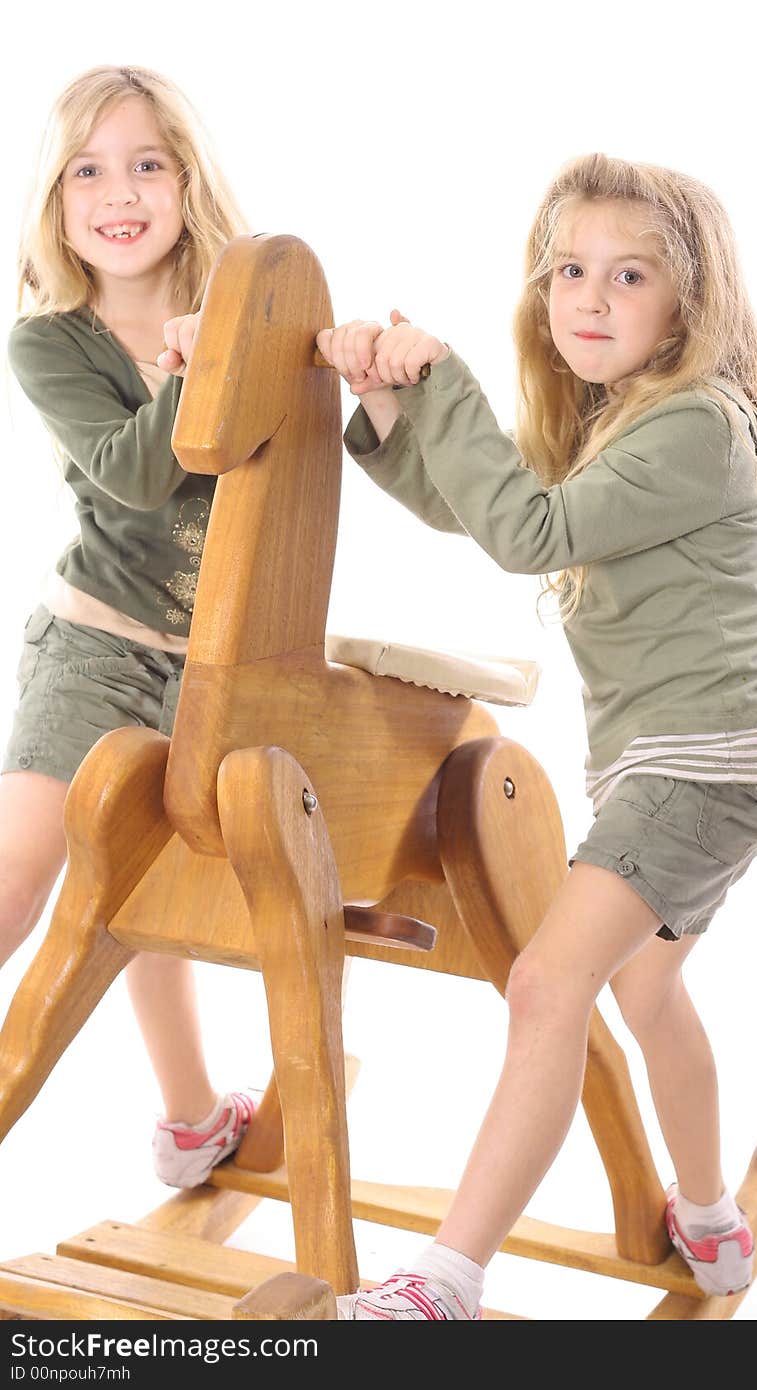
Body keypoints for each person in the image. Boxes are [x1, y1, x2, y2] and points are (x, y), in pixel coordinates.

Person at [313, 152, 757, 1316]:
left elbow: (525, 530)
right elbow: (466, 501)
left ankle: (440, 1284)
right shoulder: (620, 420)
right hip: (705, 762)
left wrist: (445, 383)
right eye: (567, 270)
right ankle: (709, 1218)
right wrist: (389, 396)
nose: (587, 298)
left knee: (547, 982)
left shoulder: (693, 425)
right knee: (641, 993)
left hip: (702, 764)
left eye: (627, 275)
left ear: (688, 305)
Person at [3, 66, 255, 1188]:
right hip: (98, 648)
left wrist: (370, 374)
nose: (120, 191)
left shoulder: (245, 312)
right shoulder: (52, 340)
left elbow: (315, 454)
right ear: (58, 202)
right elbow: (133, 481)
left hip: (216, 665)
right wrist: (186, 373)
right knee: (23, 874)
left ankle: (194, 1120)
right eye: (88, 171)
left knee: (150, 894)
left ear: (187, 181)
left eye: (148, 162)